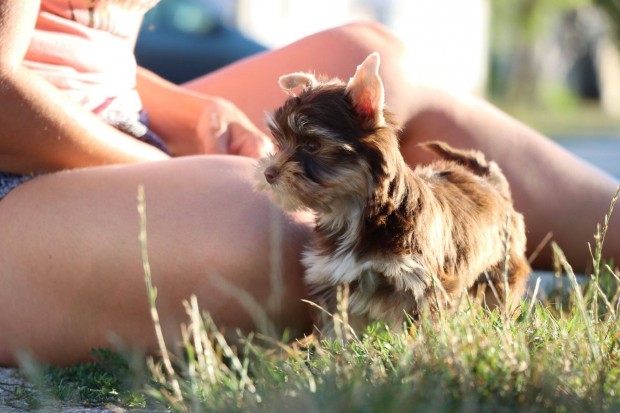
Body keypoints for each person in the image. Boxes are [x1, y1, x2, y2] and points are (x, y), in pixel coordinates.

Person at [0, 0, 618, 366]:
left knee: (373, 58)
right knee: (285, 238)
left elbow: (65, 39)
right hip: (17, 172)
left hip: (103, 115)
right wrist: (158, 168)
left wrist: (186, 115)